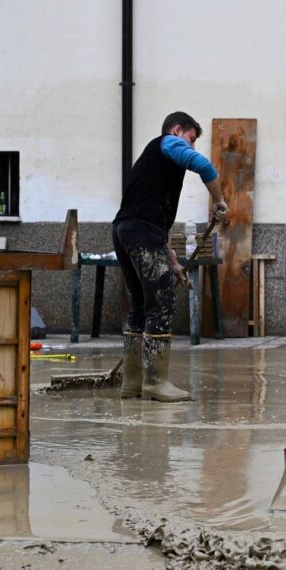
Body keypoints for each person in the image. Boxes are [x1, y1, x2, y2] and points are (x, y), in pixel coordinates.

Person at [112, 112, 227, 403]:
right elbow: (204, 166)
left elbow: (156, 229)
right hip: (140, 231)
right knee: (161, 303)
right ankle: (156, 382)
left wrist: (174, 264)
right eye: (191, 139)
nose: (192, 148)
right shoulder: (167, 143)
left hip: (125, 229)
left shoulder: (157, 167)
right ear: (177, 130)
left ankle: (132, 383)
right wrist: (219, 200)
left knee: (140, 305)